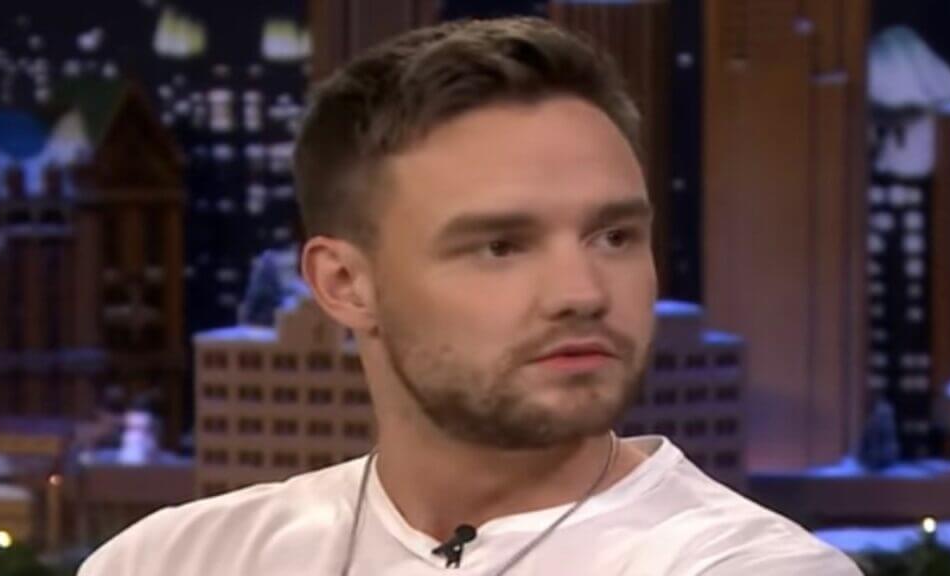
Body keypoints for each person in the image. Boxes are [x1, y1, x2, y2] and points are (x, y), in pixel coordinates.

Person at [79, 17, 862, 575]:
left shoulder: (742, 565)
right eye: (501, 246)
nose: (583, 293)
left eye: (614, 236)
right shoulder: (173, 559)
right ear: (345, 284)